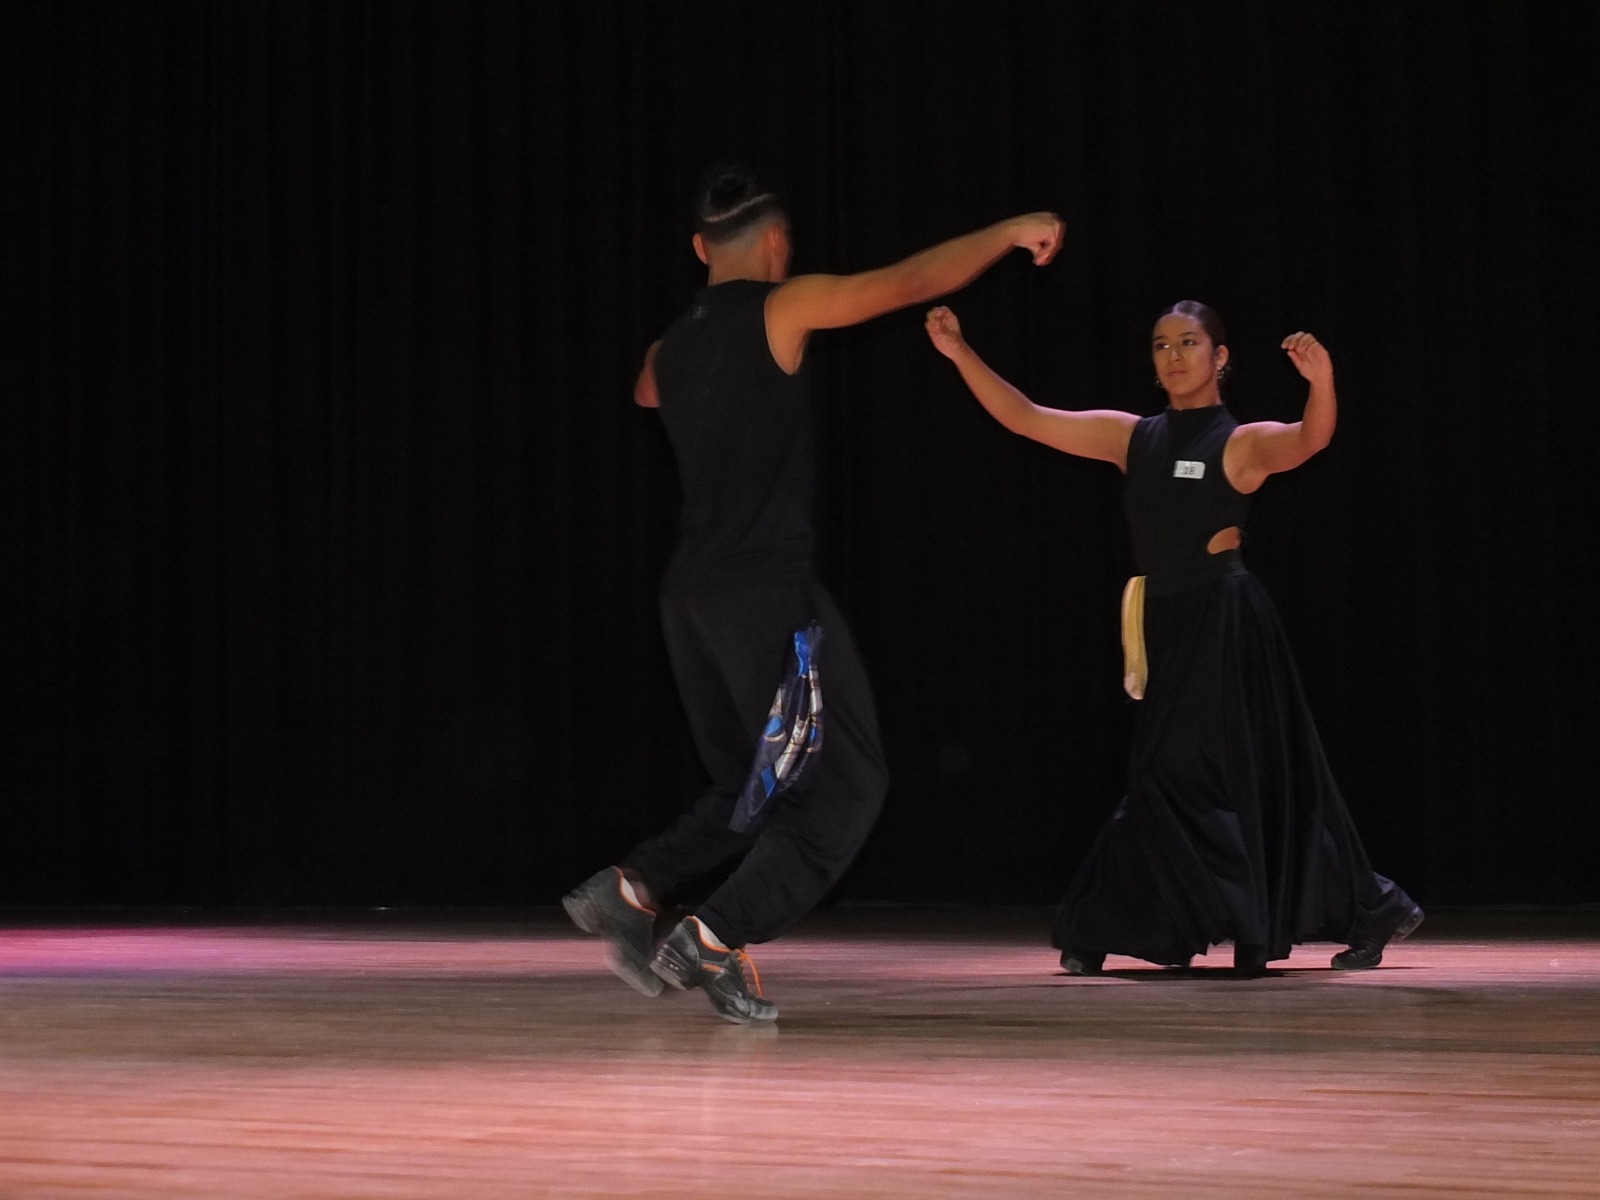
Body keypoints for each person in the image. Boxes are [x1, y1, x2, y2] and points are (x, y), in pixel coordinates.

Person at [563, 164, 1063, 1022]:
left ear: (699, 248)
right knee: (844, 785)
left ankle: (634, 888)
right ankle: (712, 936)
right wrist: (1009, 230)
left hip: (691, 599)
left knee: (748, 782)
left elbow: (645, 391)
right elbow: (907, 282)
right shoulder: (781, 307)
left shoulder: (667, 349)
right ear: (776, 244)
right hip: (764, 591)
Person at [923, 299, 1421, 974]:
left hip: (1226, 622)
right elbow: (1026, 417)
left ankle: (1120, 926)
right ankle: (1356, 908)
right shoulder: (1133, 437)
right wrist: (960, 353)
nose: (1174, 355)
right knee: (1192, 776)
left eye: (1189, 342)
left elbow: (1311, 438)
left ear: (1220, 357)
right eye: (1162, 345)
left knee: (1199, 775)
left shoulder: (1239, 443)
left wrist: (1322, 381)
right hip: (1165, 620)